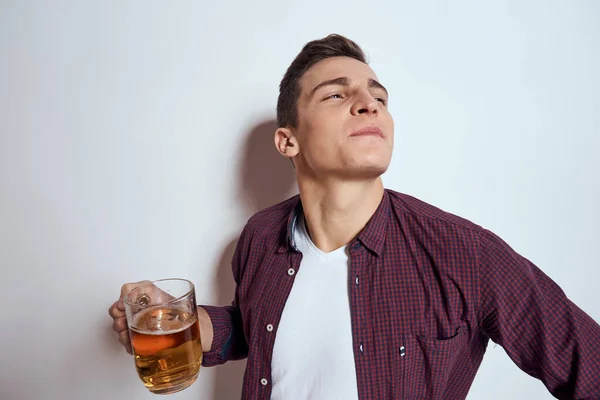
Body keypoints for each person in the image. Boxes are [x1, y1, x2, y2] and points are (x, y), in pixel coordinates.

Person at [108, 34, 600, 399]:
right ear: (288, 140)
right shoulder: (259, 237)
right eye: (337, 95)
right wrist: (180, 320)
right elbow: (259, 329)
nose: (369, 105)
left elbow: (586, 364)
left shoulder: (463, 253)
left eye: (378, 97)